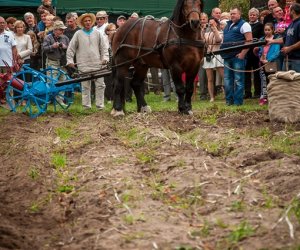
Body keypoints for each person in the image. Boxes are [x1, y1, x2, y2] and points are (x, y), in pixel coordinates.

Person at [66, 13, 109, 110]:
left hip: (98, 64)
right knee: (85, 87)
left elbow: (104, 48)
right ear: (82, 23)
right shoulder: (78, 34)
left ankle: (100, 106)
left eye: (89, 20)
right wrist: (69, 60)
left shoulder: (97, 33)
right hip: (83, 65)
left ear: (92, 22)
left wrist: (105, 58)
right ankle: (86, 107)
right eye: (85, 21)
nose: (88, 22)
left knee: (101, 85)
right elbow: (71, 49)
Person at [220, 6, 253, 106]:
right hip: (227, 57)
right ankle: (229, 101)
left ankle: (238, 102)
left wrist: (242, 54)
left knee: (238, 80)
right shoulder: (227, 25)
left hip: (237, 57)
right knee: (227, 80)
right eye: (231, 13)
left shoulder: (245, 24)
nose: (232, 15)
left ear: (239, 14)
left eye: (234, 13)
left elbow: (249, 41)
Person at [254, 23, 280, 105]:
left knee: (273, 80)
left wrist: (269, 59)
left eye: (269, 30)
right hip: (262, 63)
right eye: (266, 30)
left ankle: (274, 98)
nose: (267, 31)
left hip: (272, 63)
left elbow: (277, 52)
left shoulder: (276, 39)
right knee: (263, 81)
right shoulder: (262, 39)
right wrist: (259, 54)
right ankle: (264, 97)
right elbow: (260, 52)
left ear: (272, 30)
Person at [269, 3, 300, 72]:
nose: (287, 13)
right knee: (286, 82)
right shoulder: (291, 24)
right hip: (288, 59)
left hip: (297, 60)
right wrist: (271, 41)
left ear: (293, 11)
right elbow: (285, 39)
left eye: (288, 10)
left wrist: (289, 48)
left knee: (297, 82)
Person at [203, 17, 224, 102]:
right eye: (210, 23)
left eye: (212, 23)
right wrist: (203, 30)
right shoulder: (207, 34)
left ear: (217, 24)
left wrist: (214, 29)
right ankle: (212, 97)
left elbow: (218, 40)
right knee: (210, 79)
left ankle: (227, 93)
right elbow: (202, 42)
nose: (210, 25)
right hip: (208, 56)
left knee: (224, 76)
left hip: (217, 55)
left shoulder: (221, 32)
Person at [244, 8, 264, 99]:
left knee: (256, 73)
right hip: (246, 52)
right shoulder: (245, 25)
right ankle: (247, 92)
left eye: (254, 15)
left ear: (257, 16)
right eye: (251, 14)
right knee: (246, 73)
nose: (252, 16)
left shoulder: (260, 25)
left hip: (256, 52)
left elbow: (261, 38)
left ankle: (257, 92)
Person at [0, 16, 18, 104]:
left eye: (3, 23)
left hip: (7, 63)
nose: (2, 24)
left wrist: (15, 61)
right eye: (0, 23)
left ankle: (10, 103)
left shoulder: (10, 34)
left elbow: (14, 48)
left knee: (9, 83)